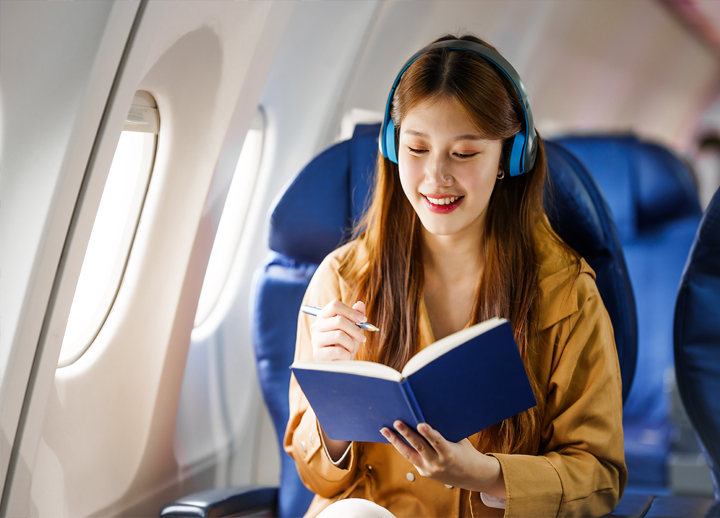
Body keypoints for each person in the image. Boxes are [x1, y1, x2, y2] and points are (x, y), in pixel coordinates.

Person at [284, 34, 627, 517]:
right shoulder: (342, 278)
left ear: (512, 157)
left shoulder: (566, 293)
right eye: (417, 148)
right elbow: (312, 474)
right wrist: (333, 405)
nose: (435, 177)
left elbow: (600, 476)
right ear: (391, 147)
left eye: (464, 154)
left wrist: (486, 474)